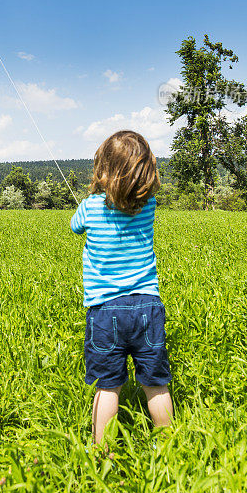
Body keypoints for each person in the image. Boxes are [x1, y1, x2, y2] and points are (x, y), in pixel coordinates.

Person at [71, 130, 173, 448]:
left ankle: (103, 453)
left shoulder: (89, 207)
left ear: (103, 171)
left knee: (107, 387)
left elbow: (75, 226)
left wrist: (90, 204)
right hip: (148, 305)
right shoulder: (150, 206)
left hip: (105, 310)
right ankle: (169, 443)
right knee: (156, 384)